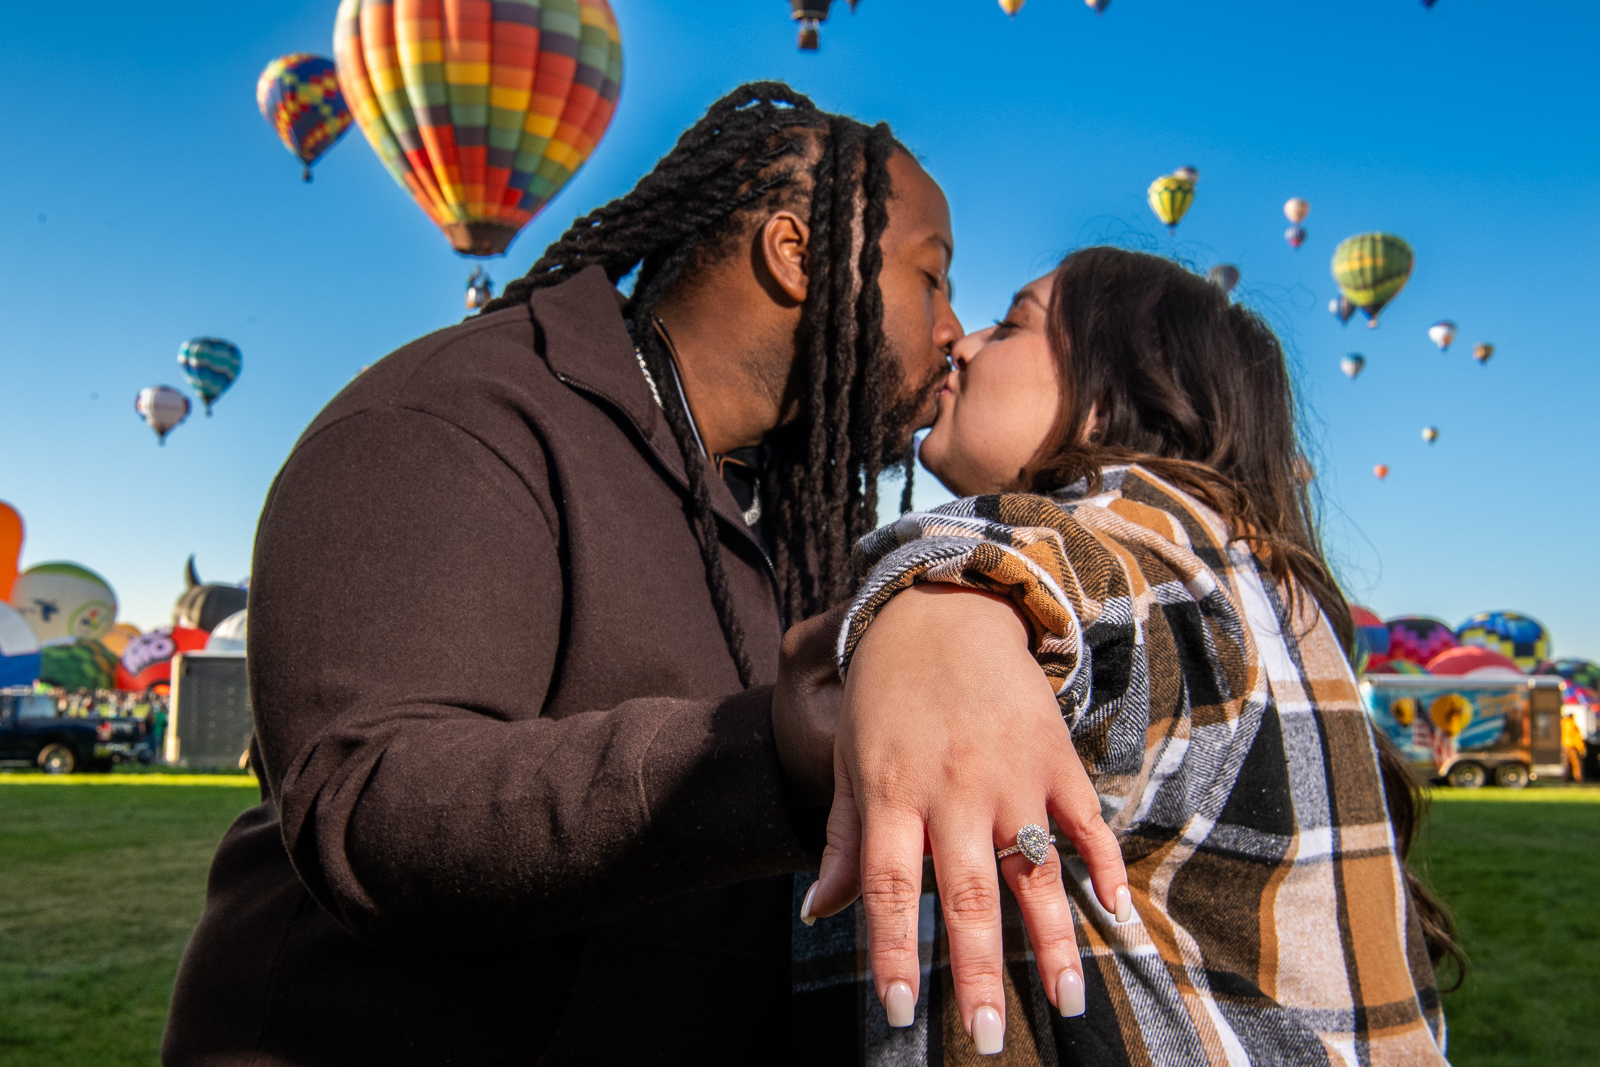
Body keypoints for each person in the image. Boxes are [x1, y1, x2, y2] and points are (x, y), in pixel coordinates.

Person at [161, 84, 1124, 1065]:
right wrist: (770, 746)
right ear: (797, 256)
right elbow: (373, 804)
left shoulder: (785, 505)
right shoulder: (449, 418)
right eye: (932, 277)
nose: (954, 329)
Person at [802, 247, 1461, 1062]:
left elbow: (1092, 579)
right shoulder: (1262, 576)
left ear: (1105, 398)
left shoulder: (1168, 543)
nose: (964, 343)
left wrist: (949, 602)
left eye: (1012, 325)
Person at [1562, 708, 1586, 782]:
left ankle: (1565, 778)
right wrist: (1581, 748)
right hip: (1571, 746)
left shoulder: (1562, 723)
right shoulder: (1571, 724)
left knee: (1566, 763)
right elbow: (1576, 738)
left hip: (1564, 745)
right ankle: (1578, 778)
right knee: (1576, 763)